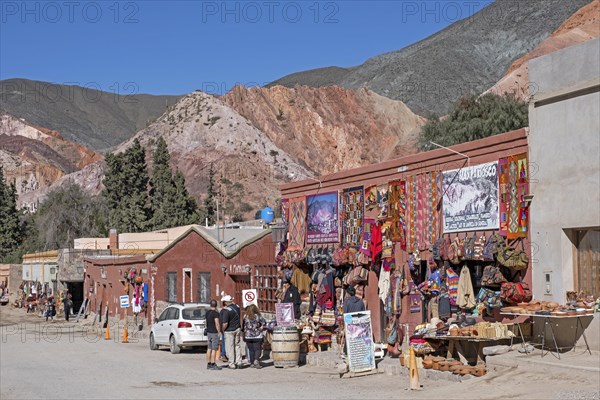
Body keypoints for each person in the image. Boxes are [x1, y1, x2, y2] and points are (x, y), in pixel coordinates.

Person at [242, 304, 267, 369]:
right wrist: (261, 326)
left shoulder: (245, 316)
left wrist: (243, 334)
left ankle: (252, 363)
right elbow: (264, 322)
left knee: (251, 350)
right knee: (258, 349)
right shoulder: (258, 316)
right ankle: (256, 360)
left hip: (248, 335)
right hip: (257, 335)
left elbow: (243, 326)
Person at [221, 294, 242, 369]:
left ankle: (232, 363)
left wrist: (222, 330)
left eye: (224, 302)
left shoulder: (227, 310)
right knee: (237, 345)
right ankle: (239, 362)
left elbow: (225, 323)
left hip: (229, 330)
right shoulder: (237, 307)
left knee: (230, 347)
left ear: (226, 302)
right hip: (237, 329)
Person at [205, 300, 222, 370]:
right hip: (214, 332)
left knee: (209, 348)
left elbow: (206, 322)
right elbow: (217, 323)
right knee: (214, 349)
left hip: (209, 331)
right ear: (216, 305)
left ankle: (208, 364)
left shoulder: (207, 313)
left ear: (210, 305)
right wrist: (219, 331)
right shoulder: (216, 313)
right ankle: (213, 363)